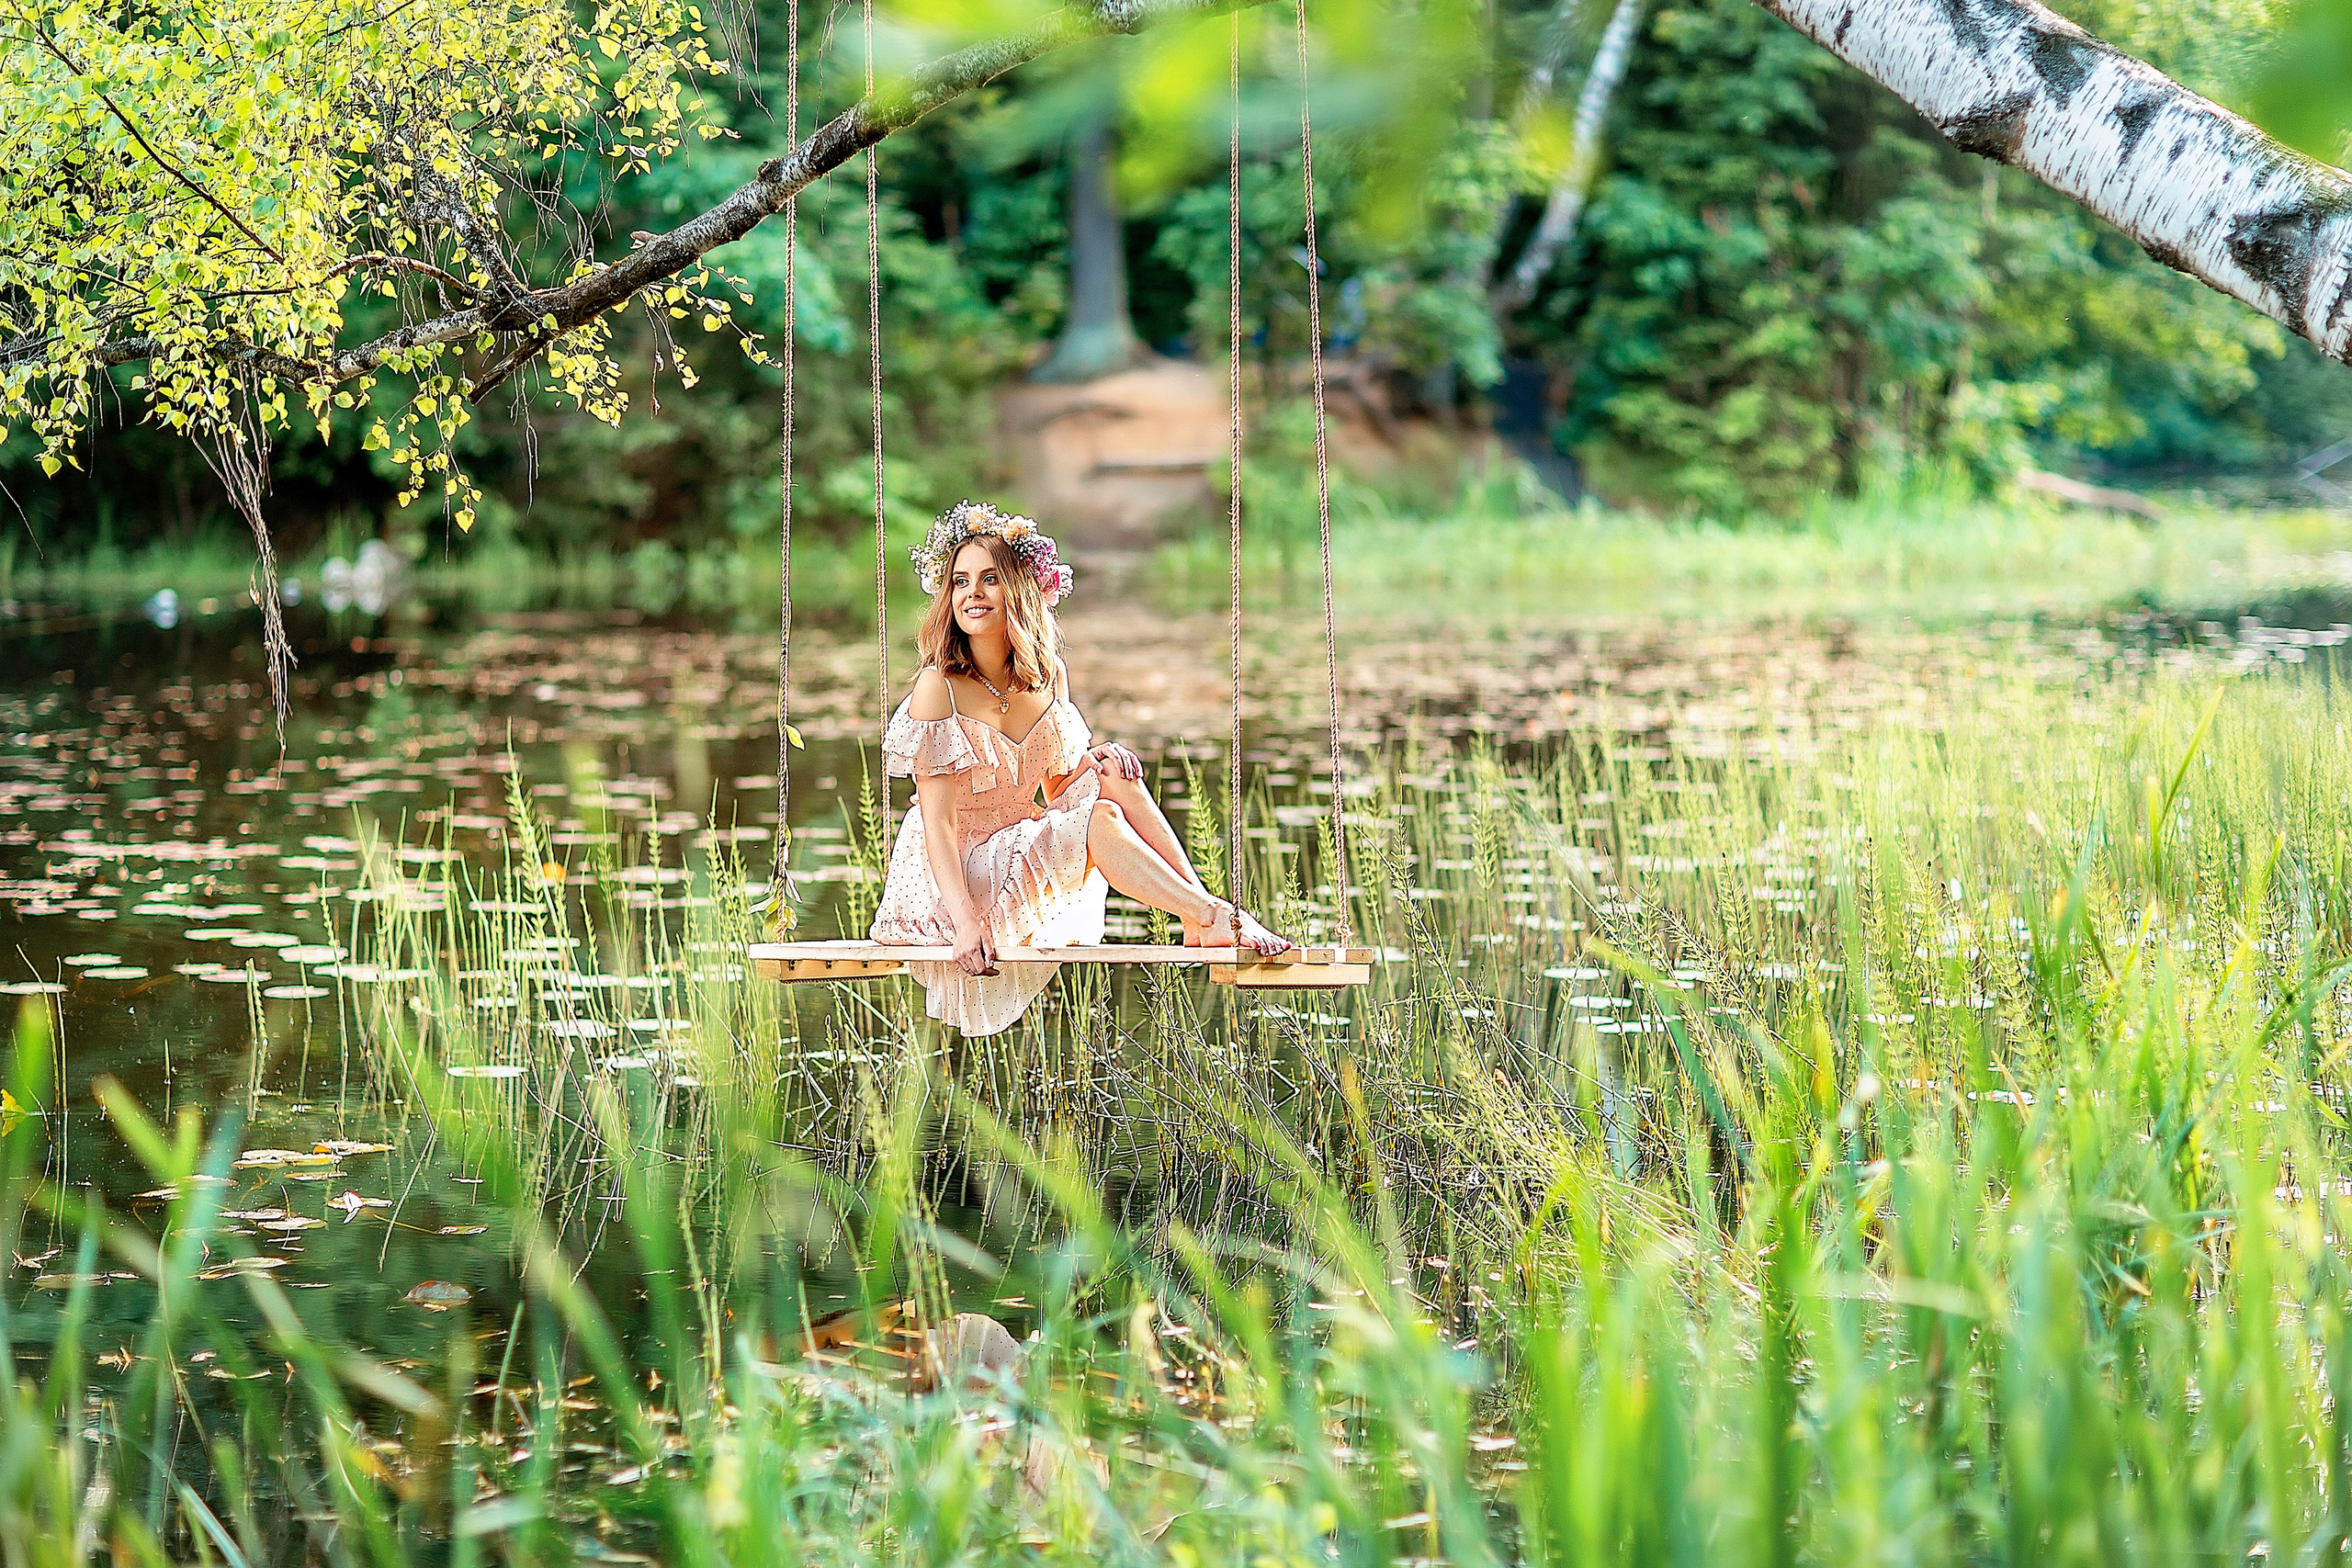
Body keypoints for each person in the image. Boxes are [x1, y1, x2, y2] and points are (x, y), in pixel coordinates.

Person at [869, 500, 1291, 1035]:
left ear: (1019, 589)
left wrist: (1093, 764)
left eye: (989, 579)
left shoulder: (1047, 676)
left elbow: (1056, 788)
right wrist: (966, 923)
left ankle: (1197, 915)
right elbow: (939, 825)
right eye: (960, 581)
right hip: (953, 875)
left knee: (1114, 776)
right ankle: (1212, 915)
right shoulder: (939, 686)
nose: (972, 593)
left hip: (1014, 843)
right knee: (1100, 820)